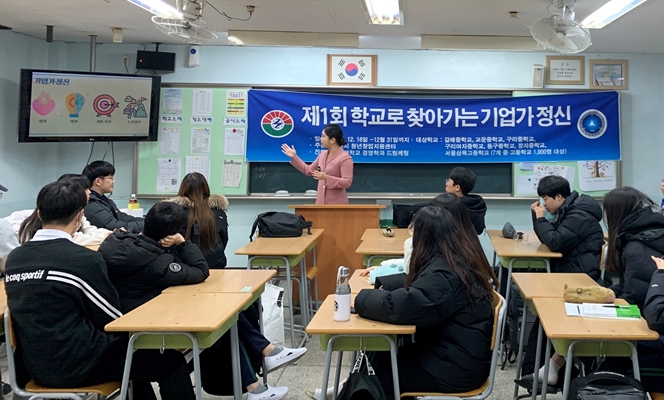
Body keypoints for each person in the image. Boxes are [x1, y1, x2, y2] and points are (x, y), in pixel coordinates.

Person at [4, 180, 195, 400]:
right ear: (79, 217)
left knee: (131, 358)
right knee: (168, 361)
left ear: (39, 214)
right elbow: (112, 320)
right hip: (76, 365)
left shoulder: (16, 258)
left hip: (31, 365)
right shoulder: (83, 260)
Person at [98, 202, 304, 400]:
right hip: (147, 318)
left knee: (227, 314)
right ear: (170, 234)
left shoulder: (130, 241)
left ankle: (260, 370)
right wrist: (182, 242)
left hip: (143, 309)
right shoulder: (156, 261)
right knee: (225, 319)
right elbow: (200, 270)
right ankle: (262, 364)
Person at [354, 206, 497, 399]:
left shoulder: (444, 274)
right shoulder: (455, 259)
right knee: (379, 354)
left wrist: (361, 299)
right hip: (456, 354)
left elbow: (403, 307)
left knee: (379, 371)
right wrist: (384, 283)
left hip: (454, 367)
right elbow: (419, 287)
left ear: (424, 237)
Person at [530, 175, 604, 280]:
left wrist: (541, 219)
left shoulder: (579, 216)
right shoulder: (567, 210)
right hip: (569, 266)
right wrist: (536, 216)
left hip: (579, 274)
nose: (544, 204)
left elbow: (555, 242)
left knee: (525, 283)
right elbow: (546, 239)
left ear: (559, 196)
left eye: (545, 199)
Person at [17, 174, 112, 246]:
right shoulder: (57, 214)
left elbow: (91, 231)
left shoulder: (78, 212)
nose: (89, 192)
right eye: (85, 189)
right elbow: (67, 238)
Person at [168, 172, 229, 269]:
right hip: (215, 266)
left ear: (183, 189)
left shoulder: (172, 212)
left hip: (182, 268)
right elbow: (224, 239)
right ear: (206, 189)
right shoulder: (218, 212)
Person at [281, 124, 353, 204]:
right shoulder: (323, 154)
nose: (320, 139)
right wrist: (294, 157)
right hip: (320, 203)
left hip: (336, 204)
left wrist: (326, 178)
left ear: (332, 140)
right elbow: (308, 170)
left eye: (323, 136)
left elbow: (347, 182)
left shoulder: (345, 158)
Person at [82, 160, 144, 232]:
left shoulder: (105, 200)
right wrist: (148, 224)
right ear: (98, 181)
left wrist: (149, 221)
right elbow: (114, 226)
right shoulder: (91, 204)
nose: (114, 181)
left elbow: (123, 217)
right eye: (111, 178)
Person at [445, 167, 487, 235]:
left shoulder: (451, 207)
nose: (446, 183)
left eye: (449, 181)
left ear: (457, 187)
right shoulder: (476, 205)